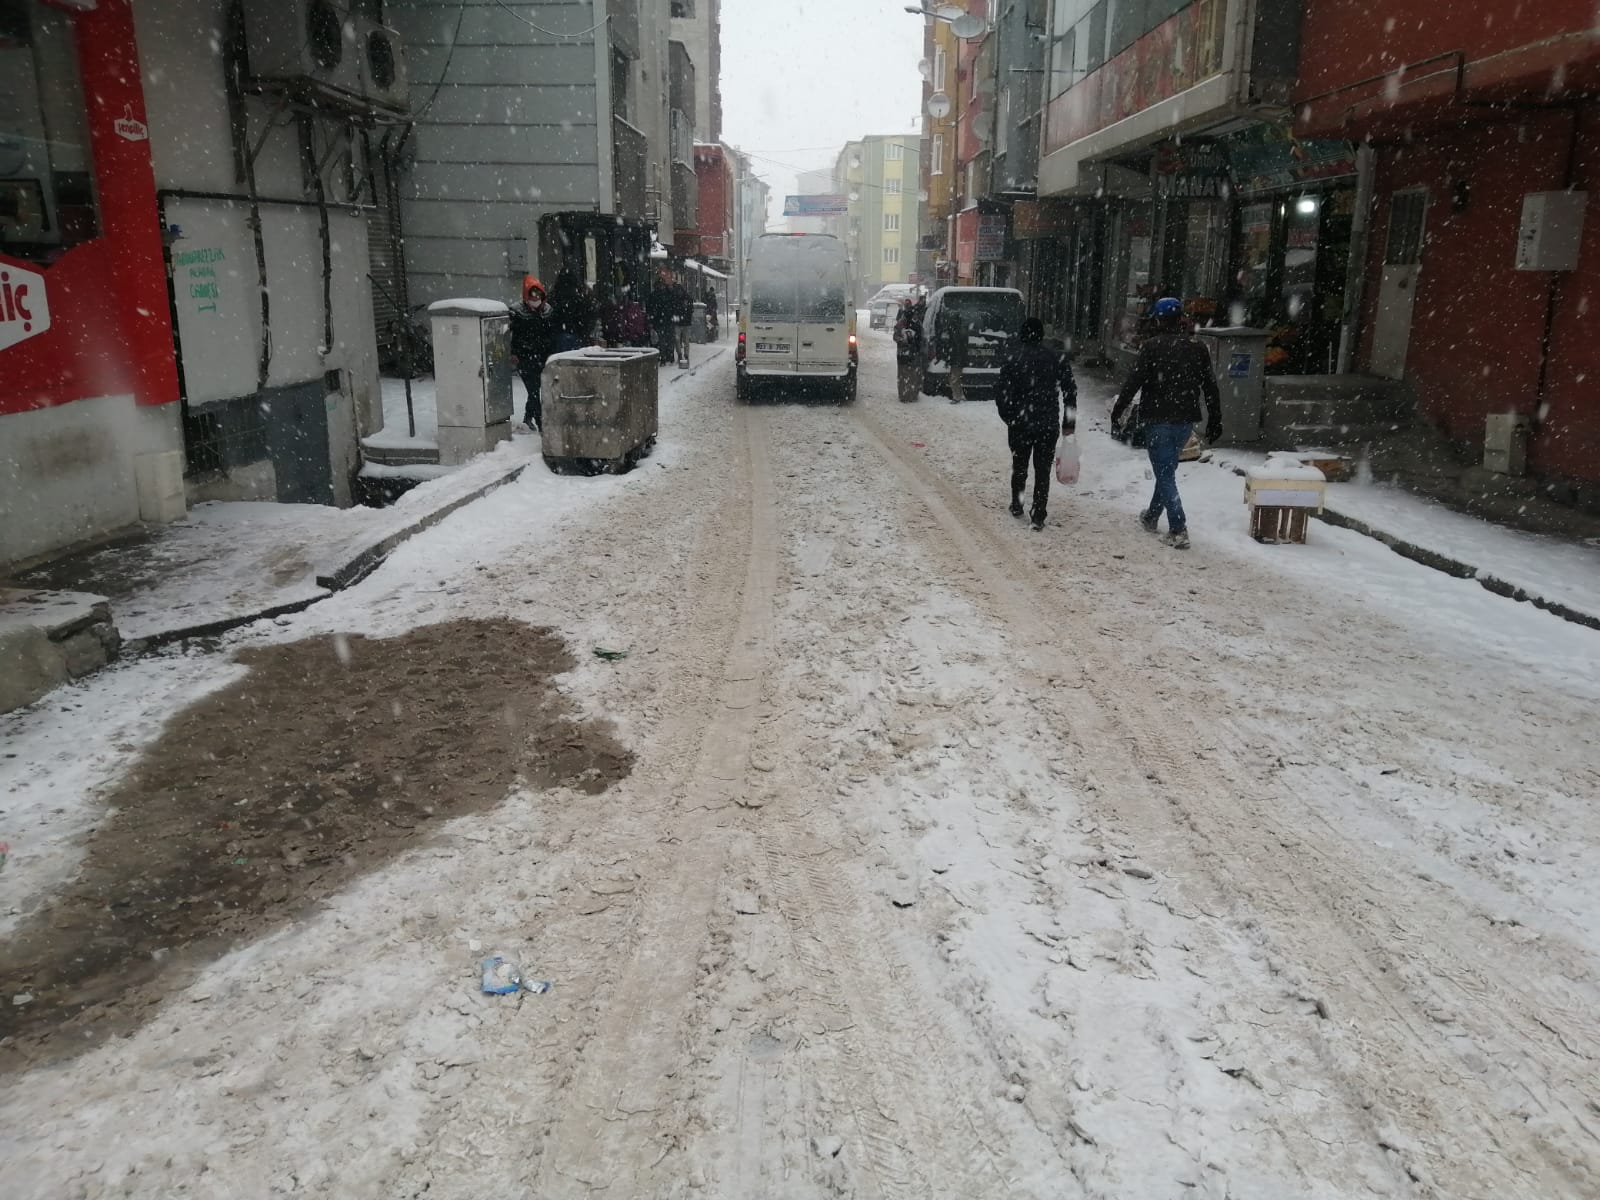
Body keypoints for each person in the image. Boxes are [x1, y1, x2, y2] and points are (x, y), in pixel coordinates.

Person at [1109, 296, 1222, 550]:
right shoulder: (1197, 347)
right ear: (1181, 319)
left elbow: (1133, 382)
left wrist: (1118, 410)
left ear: (1158, 320)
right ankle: (1151, 516)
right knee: (1167, 470)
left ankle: (1178, 528)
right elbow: (1210, 386)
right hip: (1185, 421)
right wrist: (1215, 418)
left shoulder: (1152, 347)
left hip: (1158, 419)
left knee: (1165, 473)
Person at [995, 316, 1077, 531]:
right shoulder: (1056, 358)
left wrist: (1010, 418)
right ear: (1041, 335)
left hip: (1020, 424)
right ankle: (1039, 513)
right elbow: (1070, 391)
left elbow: (1001, 393)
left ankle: (1017, 503)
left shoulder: (1013, 358)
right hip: (1047, 423)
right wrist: (1069, 424)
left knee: (1019, 465)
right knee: (1042, 470)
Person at [509, 275, 558, 431]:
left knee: (536, 390)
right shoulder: (517, 312)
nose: (535, 299)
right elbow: (513, 335)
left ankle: (528, 418)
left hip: (541, 356)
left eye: (538, 296)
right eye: (532, 296)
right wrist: (514, 353)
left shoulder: (548, 311)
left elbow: (551, 334)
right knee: (534, 390)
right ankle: (539, 420)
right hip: (524, 357)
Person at [549, 269, 594, 352]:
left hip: (559, 335)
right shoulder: (579, 296)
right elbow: (586, 316)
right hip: (576, 333)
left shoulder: (554, 296)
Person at [892, 294, 926, 403]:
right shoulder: (909, 322)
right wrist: (904, 340)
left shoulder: (912, 323)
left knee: (908, 375)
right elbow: (896, 336)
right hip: (907, 353)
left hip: (908, 353)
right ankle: (907, 394)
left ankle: (908, 394)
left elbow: (921, 337)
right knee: (909, 375)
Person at [937, 304, 969, 403]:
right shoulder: (961, 331)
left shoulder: (956, 333)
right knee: (956, 378)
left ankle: (956, 397)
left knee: (953, 379)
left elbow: (955, 347)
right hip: (958, 359)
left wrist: (951, 359)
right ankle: (961, 395)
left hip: (957, 359)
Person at [646, 274, 677, 367]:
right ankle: (667, 357)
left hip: (662, 320)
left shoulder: (654, 295)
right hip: (664, 320)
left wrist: (652, 319)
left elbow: (649, 308)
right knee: (665, 340)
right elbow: (673, 306)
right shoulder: (668, 294)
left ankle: (666, 357)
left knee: (664, 340)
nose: (661, 286)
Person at [670, 276, 695, 368]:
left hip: (683, 323)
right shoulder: (678, 298)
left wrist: (679, 316)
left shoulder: (683, 298)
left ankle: (684, 354)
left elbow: (690, 309)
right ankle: (681, 354)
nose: (679, 292)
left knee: (684, 340)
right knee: (681, 340)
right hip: (682, 322)